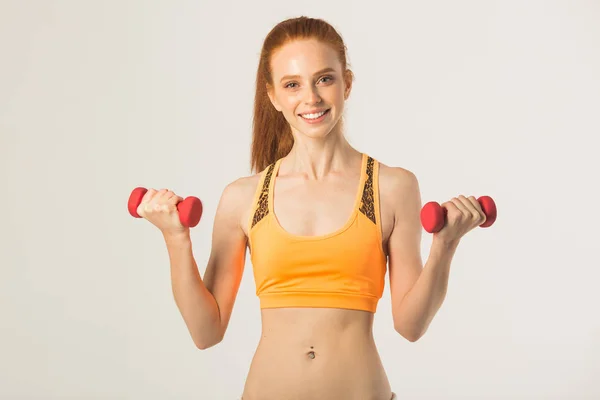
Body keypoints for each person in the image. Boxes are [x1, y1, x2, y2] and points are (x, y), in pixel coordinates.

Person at [137, 16, 487, 400]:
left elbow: (411, 325)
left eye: (324, 79)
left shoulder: (393, 187)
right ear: (272, 96)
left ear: (346, 83)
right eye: (292, 84)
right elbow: (206, 333)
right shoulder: (243, 197)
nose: (311, 97)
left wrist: (446, 245)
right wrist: (175, 237)